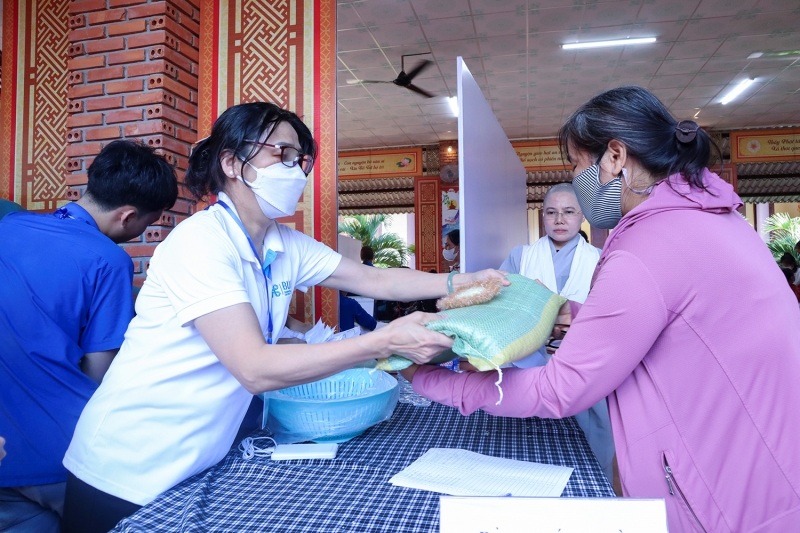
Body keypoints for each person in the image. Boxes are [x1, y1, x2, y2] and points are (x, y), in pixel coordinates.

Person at [60, 102, 506, 533]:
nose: (295, 171)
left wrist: (464, 282)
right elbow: (254, 367)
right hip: (126, 466)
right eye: (283, 154)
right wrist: (382, 341)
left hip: (195, 460)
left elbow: (376, 280)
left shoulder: (283, 243)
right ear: (233, 163)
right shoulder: (199, 243)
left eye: (300, 160)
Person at [401, 87, 800, 532]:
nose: (574, 185)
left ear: (614, 157)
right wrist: (562, 313)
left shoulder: (647, 245)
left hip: (719, 502)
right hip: (765, 471)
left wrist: (431, 381)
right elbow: (671, 322)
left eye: (576, 166)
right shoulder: (715, 216)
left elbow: (559, 390)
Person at [0, 140, 177, 533]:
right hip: (60, 452)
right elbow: (102, 373)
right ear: (128, 216)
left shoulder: (7, 226)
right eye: (148, 223)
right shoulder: (108, 259)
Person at [498, 183, 612, 482]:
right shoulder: (520, 256)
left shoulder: (601, 259)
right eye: (551, 212)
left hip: (583, 365)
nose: (560, 220)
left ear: (582, 217)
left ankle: (591, 490)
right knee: (528, 443)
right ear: (543, 216)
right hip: (529, 361)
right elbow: (501, 306)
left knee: (592, 436)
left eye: (568, 212)